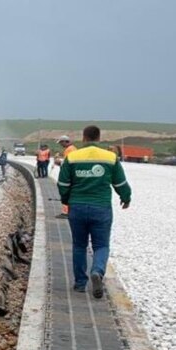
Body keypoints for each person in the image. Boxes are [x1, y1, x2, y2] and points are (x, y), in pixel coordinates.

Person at [58, 125, 132, 298]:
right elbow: (120, 183)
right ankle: (97, 271)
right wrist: (126, 197)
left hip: (77, 207)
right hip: (101, 208)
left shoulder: (73, 157)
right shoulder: (110, 158)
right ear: (99, 138)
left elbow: (63, 184)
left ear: (84, 138)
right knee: (101, 245)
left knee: (79, 245)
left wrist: (66, 200)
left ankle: (80, 284)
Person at [55, 135, 77, 218]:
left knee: (66, 192)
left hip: (68, 176)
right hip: (71, 174)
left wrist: (58, 162)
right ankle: (68, 211)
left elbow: (68, 163)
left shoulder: (70, 150)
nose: (61, 145)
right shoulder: (72, 149)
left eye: (61, 143)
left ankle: (66, 212)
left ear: (65, 141)